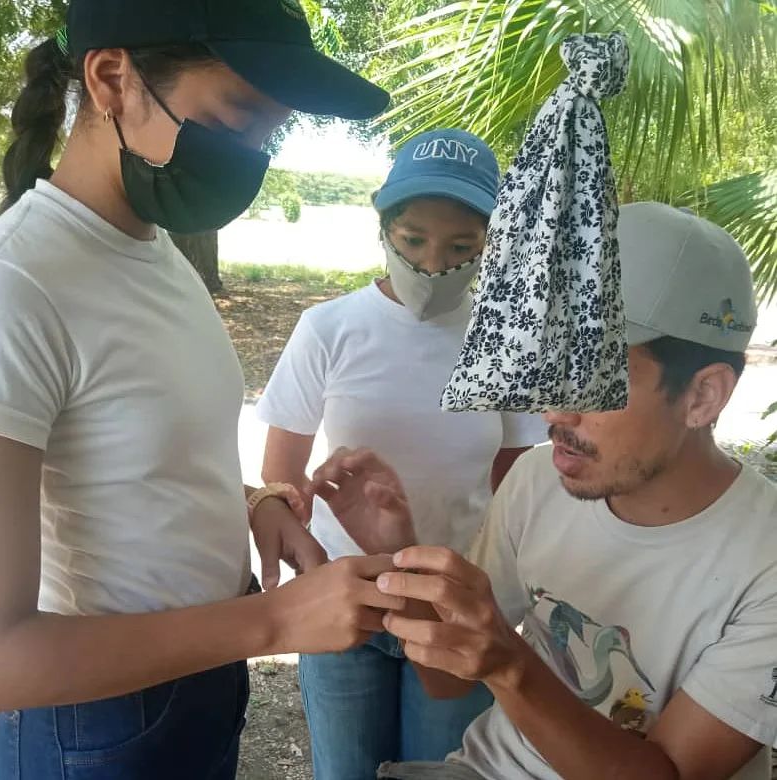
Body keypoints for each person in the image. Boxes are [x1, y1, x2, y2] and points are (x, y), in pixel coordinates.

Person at [0, 1, 409, 778]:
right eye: (235, 119)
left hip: (198, 677)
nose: (251, 157)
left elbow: (138, 457)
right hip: (93, 720)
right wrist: (274, 621)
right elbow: (3, 659)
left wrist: (255, 503)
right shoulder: (19, 285)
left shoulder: (152, 252)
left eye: (269, 132)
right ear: (111, 79)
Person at [310, 203, 777, 780]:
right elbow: (448, 679)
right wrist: (398, 554)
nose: (553, 410)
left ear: (702, 396)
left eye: (594, 377)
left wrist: (512, 666)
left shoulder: (763, 562)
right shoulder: (538, 482)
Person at [256, 128, 547, 779]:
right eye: (413, 239)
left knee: (442, 770)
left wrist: (491, 594)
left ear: (488, 243)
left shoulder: (505, 343)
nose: (432, 263)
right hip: (347, 597)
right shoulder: (329, 329)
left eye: (460, 247)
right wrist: (312, 568)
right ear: (384, 229)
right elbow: (281, 475)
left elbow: (516, 484)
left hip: (453, 605)